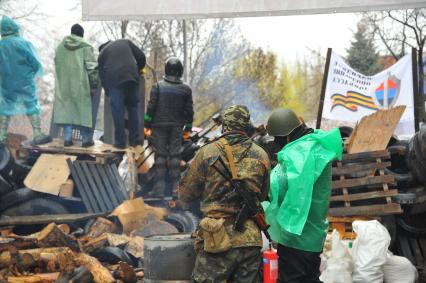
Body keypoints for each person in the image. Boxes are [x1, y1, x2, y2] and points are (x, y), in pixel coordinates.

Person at [179, 105, 270, 283]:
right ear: (246, 126)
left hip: (217, 238)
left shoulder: (207, 152)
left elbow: (186, 194)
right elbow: (262, 195)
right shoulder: (261, 155)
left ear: (224, 126)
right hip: (250, 240)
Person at [264, 108, 342, 283]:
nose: (277, 143)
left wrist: (267, 187)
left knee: (292, 278)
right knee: (309, 278)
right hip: (313, 233)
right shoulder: (314, 144)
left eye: (278, 138)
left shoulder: (301, 153)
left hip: (297, 236)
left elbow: (294, 194)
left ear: (288, 135)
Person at [145, 57, 194, 197]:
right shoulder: (186, 89)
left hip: (158, 126)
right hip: (176, 127)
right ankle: (175, 188)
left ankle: (159, 188)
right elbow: (189, 111)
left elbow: (151, 107)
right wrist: (188, 127)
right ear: (180, 71)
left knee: (160, 156)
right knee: (175, 157)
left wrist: (147, 123)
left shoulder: (157, 86)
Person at [0, 16, 51, 146]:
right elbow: (35, 63)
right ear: (15, 28)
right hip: (24, 82)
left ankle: (2, 135)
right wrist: (31, 73)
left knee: (6, 107)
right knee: (31, 104)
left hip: (6, 83)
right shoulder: (24, 43)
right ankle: (38, 133)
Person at [53, 24, 99, 147]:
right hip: (81, 85)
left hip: (64, 85)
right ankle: (85, 140)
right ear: (82, 35)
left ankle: (67, 139)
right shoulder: (86, 47)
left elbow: (56, 63)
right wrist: (94, 84)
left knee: (68, 110)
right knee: (83, 111)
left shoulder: (60, 47)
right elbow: (91, 67)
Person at [97, 39, 146, 148]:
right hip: (131, 76)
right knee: (132, 108)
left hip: (114, 80)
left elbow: (102, 76)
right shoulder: (124, 42)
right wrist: (138, 70)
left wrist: (108, 91)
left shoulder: (101, 55)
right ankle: (135, 141)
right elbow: (141, 57)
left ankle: (120, 142)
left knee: (117, 111)